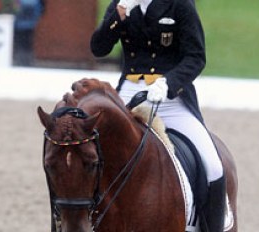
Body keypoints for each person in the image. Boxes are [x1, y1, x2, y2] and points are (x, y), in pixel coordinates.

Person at [90, 0, 225, 231]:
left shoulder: (179, 4)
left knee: (213, 165)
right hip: (128, 95)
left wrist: (168, 83)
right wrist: (120, 13)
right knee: (90, 155)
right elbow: (98, 48)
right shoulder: (121, 3)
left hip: (170, 98)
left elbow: (196, 57)